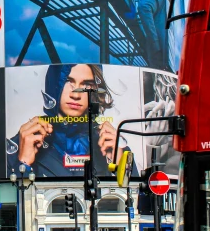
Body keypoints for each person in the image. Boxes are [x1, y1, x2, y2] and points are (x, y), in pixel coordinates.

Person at [7, 64, 138, 178]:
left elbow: (135, 202)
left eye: (86, 84)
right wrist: (23, 164)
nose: (75, 95)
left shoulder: (112, 144)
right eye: (68, 81)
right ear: (54, 83)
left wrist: (119, 167)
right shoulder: (24, 141)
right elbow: (5, 201)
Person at [138, 0, 174, 71]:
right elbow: (144, 7)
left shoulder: (168, 4)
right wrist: (155, 43)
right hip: (158, 56)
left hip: (166, 60)